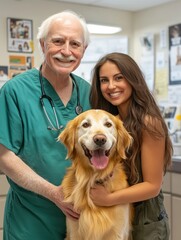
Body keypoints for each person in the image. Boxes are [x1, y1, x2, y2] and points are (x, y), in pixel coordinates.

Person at [0, 10, 90, 240]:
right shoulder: (15, 91)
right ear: (42, 44)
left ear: (84, 50)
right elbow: (4, 155)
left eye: (75, 44)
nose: (66, 51)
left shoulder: (89, 93)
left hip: (82, 220)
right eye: (58, 41)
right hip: (31, 221)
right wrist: (55, 194)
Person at [89, 52, 172, 240]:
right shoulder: (111, 124)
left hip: (146, 223)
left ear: (133, 80)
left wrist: (107, 199)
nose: (111, 86)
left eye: (119, 78)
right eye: (104, 80)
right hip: (119, 216)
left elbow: (152, 186)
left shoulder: (149, 123)